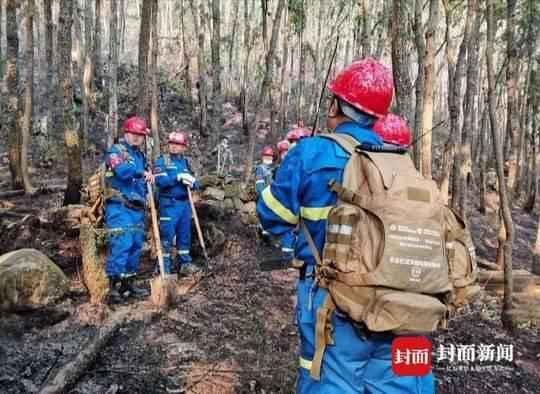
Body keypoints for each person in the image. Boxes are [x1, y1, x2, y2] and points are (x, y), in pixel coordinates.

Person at [257, 59, 434, 393]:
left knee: (327, 376)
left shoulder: (311, 152)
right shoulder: (401, 163)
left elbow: (272, 214)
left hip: (333, 299)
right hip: (405, 301)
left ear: (336, 104)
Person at [104, 116, 153, 303]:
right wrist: (141, 173)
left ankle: (128, 284)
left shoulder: (141, 156)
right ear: (126, 133)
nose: (137, 138)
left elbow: (143, 184)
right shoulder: (116, 151)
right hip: (119, 207)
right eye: (133, 134)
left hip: (138, 210)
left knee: (135, 246)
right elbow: (123, 172)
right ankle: (113, 288)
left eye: (140, 135)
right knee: (121, 244)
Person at [153, 130, 201, 275]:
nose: (174, 147)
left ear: (184, 147)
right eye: (172, 143)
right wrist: (177, 177)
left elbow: (196, 184)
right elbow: (160, 181)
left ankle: (184, 264)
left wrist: (192, 182)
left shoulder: (186, 162)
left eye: (178, 144)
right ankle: (164, 268)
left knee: (184, 235)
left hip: (185, 204)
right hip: (169, 203)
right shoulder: (163, 160)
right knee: (167, 236)